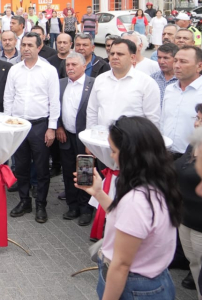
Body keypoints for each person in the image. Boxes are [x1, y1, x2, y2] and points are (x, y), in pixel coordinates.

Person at [75, 116, 181, 300]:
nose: (111, 156)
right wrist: (99, 193)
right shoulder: (159, 183)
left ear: (130, 154)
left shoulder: (137, 200)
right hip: (155, 278)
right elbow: (125, 218)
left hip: (134, 286)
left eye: (114, 151)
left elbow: (121, 264)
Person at [4, 33, 61, 224]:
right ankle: (24, 201)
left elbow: (54, 101)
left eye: (30, 45)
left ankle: (41, 205)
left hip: (40, 125)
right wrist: (9, 124)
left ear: (39, 47)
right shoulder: (15, 70)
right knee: (21, 167)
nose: (26, 48)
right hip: (19, 125)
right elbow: (8, 98)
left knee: (42, 167)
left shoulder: (49, 70)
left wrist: (51, 128)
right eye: (24, 45)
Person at [55, 52, 95, 226]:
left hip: (85, 138)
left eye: (74, 65)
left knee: (85, 173)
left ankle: (86, 208)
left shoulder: (93, 84)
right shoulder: (61, 84)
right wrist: (59, 126)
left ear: (84, 66)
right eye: (68, 65)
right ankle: (73, 206)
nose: (70, 68)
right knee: (68, 171)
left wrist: (90, 139)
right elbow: (54, 107)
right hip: (66, 136)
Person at [87, 38, 161, 129]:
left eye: (120, 54)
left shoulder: (146, 83)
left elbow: (153, 119)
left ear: (132, 58)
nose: (114, 57)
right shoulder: (100, 79)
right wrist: (90, 134)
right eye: (112, 53)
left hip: (132, 137)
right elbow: (92, 112)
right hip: (101, 136)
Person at [176, 104, 202, 293]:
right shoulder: (195, 144)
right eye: (197, 118)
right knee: (194, 264)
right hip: (186, 218)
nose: (197, 123)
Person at [161, 47, 202, 159]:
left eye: (183, 62)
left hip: (194, 158)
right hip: (166, 153)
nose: (177, 66)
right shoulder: (170, 89)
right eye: (175, 61)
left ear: (200, 66)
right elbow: (163, 120)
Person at [150, 43, 179, 107]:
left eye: (166, 58)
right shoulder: (152, 79)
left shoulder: (182, 80)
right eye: (159, 57)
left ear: (175, 59)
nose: (161, 61)